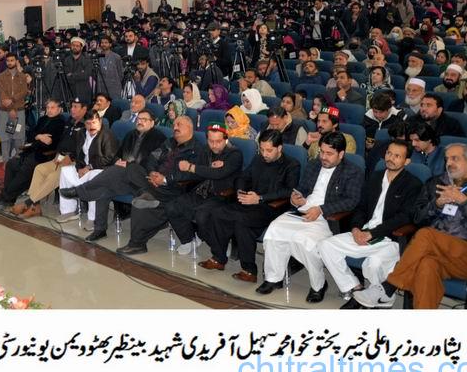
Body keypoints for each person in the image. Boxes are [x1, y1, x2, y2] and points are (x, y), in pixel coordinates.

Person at [353, 144, 467, 309]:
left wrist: (465, 201)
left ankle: (389, 286)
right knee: (426, 265)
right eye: (447, 159)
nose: (449, 163)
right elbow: (417, 218)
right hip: (433, 252)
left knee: (427, 235)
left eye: (455, 158)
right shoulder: (435, 183)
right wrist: (437, 204)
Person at [256, 132, 364, 302]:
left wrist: (321, 209)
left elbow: (352, 201)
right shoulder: (314, 165)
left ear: (341, 154)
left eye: (329, 154)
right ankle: (274, 278)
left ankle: (318, 285)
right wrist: (296, 198)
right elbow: (303, 188)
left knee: (305, 241)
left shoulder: (353, 171)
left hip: (327, 217)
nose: (323, 157)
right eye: (322, 152)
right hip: (302, 211)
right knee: (274, 231)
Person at [318, 141, 423, 305]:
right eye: (389, 153)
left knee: (373, 263)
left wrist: (372, 233)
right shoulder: (375, 177)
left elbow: (403, 218)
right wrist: (355, 229)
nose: (391, 158)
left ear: (407, 161)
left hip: (390, 238)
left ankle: (380, 298)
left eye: (397, 156)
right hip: (365, 231)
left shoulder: (413, 184)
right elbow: (361, 207)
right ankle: (355, 288)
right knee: (326, 245)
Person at [196, 129, 300, 283]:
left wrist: (260, 198)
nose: (264, 154)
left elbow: (288, 191)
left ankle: (249, 270)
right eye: (262, 149)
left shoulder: (292, 165)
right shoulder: (259, 159)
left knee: (241, 221)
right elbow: (243, 176)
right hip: (250, 201)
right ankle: (219, 258)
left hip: (272, 207)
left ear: (279, 148)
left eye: (269, 150)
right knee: (218, 212)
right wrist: (240, 191)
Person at [129, 124, 242, 256]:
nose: (214, 145)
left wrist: (191, 167)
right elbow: (200, 173)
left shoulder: (234, 153)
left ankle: (218, 244)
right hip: (201, 191)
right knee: (172, 207)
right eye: (211, 141)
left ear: (226, 139)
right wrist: (204, 169)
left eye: (218, 141)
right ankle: (187, 239)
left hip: (221, 195)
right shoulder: (205, 150)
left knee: (202, 216)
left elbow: (218, 174)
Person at [80, 110, 168, 240]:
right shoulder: (130, 135)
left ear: (152, 123)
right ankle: (100, 229)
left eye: (144, 119)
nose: (140, 121)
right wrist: (117, 161)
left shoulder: (159, 138)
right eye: (139, 118)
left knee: (113, 174)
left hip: (142, 180)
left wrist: (128, 165)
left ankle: (81, 189)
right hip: (124, 177)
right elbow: (117, 155)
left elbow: (153, 163)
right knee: (103, 190)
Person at [13, 99, 89, 219]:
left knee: (52, 177)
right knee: (39, 169)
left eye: (76, 107)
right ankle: (35, 207)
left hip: (74, 162)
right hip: (59, 157)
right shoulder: (70, 121)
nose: (72, 109)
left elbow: (86, 148)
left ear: (84, 109)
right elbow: (61, 141)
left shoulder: (87, 124)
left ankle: (27, 203)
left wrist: (72, 157)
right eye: (72, 106)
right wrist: (58, 154)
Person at [0, 99, 67, 208]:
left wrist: (37, 138)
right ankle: (9, 198)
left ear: (59, 109)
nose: (49, 110)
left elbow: (50, 143)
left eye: (53, 108)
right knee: (11, 164)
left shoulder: (60, 122)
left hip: (45, 155)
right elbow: (31, 134)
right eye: (47, 108)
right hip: (31, 150)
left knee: (25, 170)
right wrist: (39, 136)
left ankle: (5, 197)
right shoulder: (42, 119)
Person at [57, 110, 119, 236]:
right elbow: (79, 154)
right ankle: (69, 210)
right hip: (84, 169)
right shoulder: (81, 134)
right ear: (84, 124)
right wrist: (80, 168)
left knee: (93, 177)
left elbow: (109, 158)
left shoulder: (107, 135)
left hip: (101, 170)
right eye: (88, 123)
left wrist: (89, 168)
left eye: (94, 122)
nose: (91, 126)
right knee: (65, 171)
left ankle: (93, 217)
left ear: (100, 122)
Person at [0, 53, 30, 162]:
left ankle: (19, 161)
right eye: (8, 61)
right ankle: (6, 161)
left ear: (16, 61)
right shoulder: (0, 77)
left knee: (19, 137)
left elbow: (23, 92)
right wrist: (10, 109)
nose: (10, 62)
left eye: (12, 60)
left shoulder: (22, 76)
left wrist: (12, 102)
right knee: (6, 137)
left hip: (18, 112)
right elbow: (2, 94)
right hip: (4, 112)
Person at [61, 37, 92, 104]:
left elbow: (86, 75)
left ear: (81, 48)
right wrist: (79, 73)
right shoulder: (66, 60)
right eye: (73, 45)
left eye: (77, 46)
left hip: (83, 91)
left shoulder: (86, 60)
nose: (74, 47)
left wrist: (72, 74)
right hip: (70, 91)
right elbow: (66, 76)